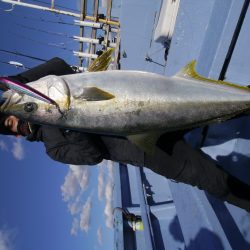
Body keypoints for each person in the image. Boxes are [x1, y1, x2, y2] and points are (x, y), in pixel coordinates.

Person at [0, 57, 250, 212]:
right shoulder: (53, 150)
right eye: (13, 124)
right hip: (147, 148)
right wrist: (57, 116)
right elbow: (92, 155)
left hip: (155, 103)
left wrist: (19, 81)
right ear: (17, 136)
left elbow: (59, 66)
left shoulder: (51, 88)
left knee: (227, 106)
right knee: (215, 181)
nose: (21, 121)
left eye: (19, 113)